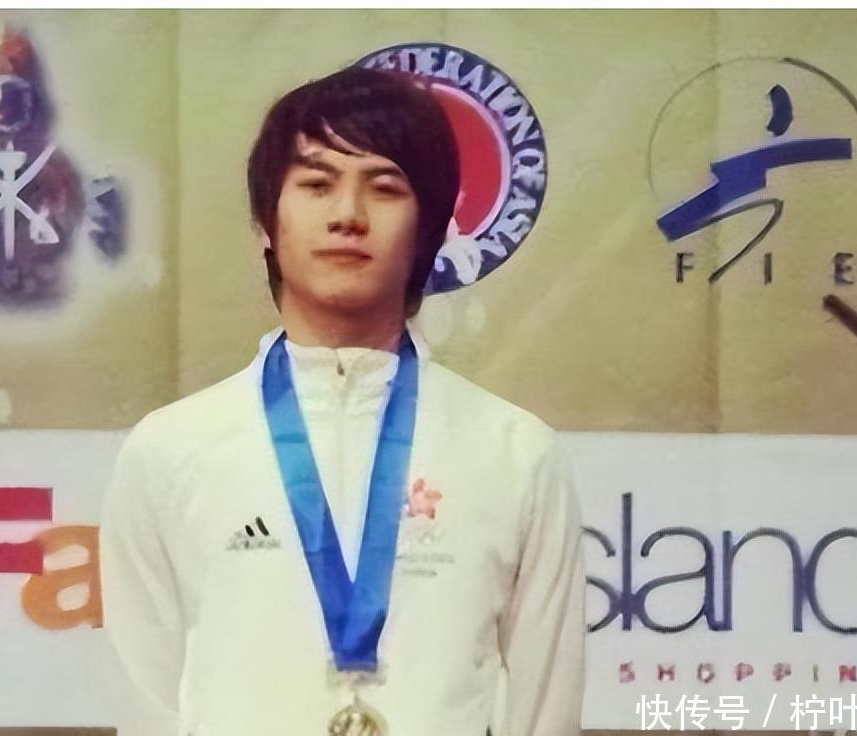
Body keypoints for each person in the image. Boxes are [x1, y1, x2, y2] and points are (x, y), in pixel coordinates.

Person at [99, 65, 584, 736]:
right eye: (317, 184)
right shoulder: (171, 449)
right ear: (265, 222)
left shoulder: (515, 452)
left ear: (430, 228)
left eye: (384, 188)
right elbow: (146, 706)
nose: (348, 216)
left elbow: (545, 714)